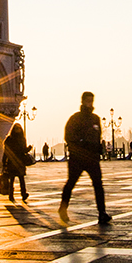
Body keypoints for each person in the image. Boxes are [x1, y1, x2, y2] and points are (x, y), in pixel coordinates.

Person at [58, 91, 111, 226]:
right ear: (82, 101)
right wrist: (81, 143)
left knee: (98, 184)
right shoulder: (75, 118)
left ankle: (102, 213)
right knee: (71, 183)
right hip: (78, 157)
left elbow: (97, 136)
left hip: (92, 157)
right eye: (88, 101)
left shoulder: (95, 118)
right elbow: (68, 136)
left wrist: (99, 148)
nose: (90, 104)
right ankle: (62, 209)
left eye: (91, 101)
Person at [1, 122, 33, 202]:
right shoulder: (10, 139)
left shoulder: (21, 139)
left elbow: (23, 150)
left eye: (18, 128)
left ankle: (23, 194)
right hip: (12, 162)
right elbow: (6, 152)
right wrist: (4, 162)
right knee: (12, 179)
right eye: (16, 128)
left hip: (19, 162)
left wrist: (28, 148)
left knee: (21, 179)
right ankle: (11, 195)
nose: (17, 130)